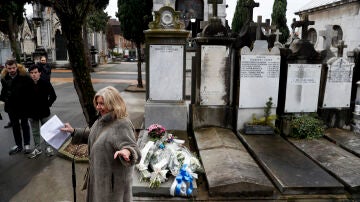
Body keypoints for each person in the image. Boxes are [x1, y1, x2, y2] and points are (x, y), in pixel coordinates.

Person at [61, 86, 141, 202]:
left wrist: (127, 152)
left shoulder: (121, 124)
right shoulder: (102, 121)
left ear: (113, 104)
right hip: (98, 180)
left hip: (111, 189)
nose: (98, 107)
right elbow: (97, 136)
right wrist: (74, 132)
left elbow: (134, 149)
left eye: (102, 104)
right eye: (97, 103)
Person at [0, 59, 32, 155]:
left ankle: (27, 145)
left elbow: (30, 90)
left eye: (14, 67)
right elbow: (3, 92)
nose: (12, 70)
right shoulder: (4, 78)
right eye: (9, 68)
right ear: (6, 68)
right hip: (11, 107)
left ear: (16, 66)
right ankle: (19, 145)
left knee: (25, 125)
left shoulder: (24, 76)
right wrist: (5, 98)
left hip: (23, 106)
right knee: (15, 126)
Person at [27, 64, 57, 158]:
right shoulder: (27, 85)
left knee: (47, 130)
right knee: (35, 131)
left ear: (39, 73)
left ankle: (48, 147)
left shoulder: (45, 83)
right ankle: (37, 148)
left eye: (35, 72)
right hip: (32, 113)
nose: (33, 75)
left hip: (44, 112)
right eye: (31, 73)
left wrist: (47, 104)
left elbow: (53, 96)